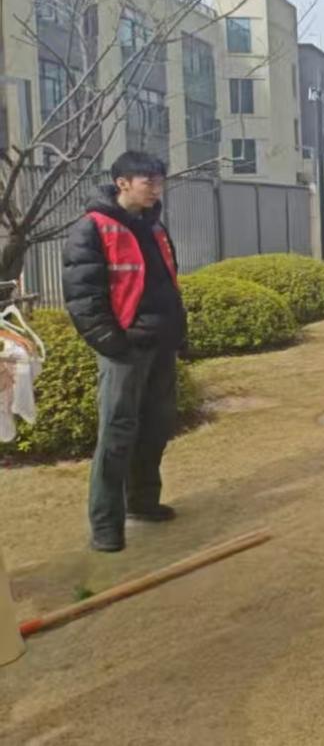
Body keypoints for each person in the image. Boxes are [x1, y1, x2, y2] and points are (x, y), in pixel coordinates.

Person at [62, 151, 188, 554]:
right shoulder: (93, 228)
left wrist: (178, 333)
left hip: (161, 344)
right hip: (126, 350)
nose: (156, 188)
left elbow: (168, 283)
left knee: (156, 427)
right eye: (148, 181)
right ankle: (105, 525)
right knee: (117, 434)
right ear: (122, 183)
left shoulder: (154, 226)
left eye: (159, 181)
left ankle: (143, 501)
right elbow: (83, 298)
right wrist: (114, 345)